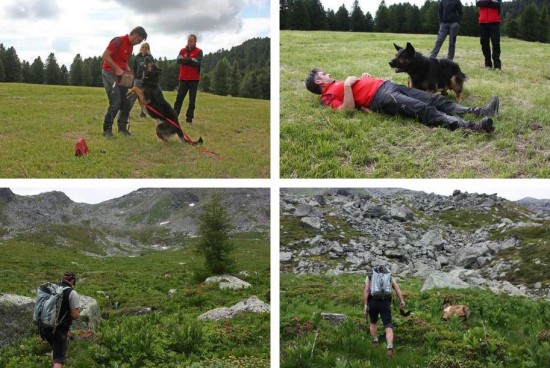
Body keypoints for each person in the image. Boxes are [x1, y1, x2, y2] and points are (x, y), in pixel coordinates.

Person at [305, 68, 499, 133]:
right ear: (319, 81)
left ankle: (480, 111)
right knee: (423, 109)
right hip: (381, 98)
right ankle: (472, 126)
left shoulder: (336, 84)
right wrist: (347, 86)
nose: (328, 73)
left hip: (388, 86)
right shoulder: (327, 96)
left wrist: (365, 78)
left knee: (433, 99)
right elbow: (345, 111)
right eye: (324, 73)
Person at [101, 26, 148, 137]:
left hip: (122, 75)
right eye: (139, 40)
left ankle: (122, 128)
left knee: (127, 101)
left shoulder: (130, 46)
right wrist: (117, 69)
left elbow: (123, 61)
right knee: (116, 101)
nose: (138, 43)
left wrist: (127, 70)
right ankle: (107, 130)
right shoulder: (118, 41)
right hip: (109, 73)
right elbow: (105, 56)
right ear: (135, 35)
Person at [39, 272, 80, 368]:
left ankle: (52, 364)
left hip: (45, 327)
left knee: (56, 349)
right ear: (73, 281)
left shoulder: (53, 289)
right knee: (59, 360)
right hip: (58, 330)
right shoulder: (72, 293)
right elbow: (75, 315)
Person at [364, 266, 405, 359]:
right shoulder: (389, 276)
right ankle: (390, 346)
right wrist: (402, 300)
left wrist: (365, 305)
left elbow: (366, 290)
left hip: (373, 302)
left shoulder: (370, 276)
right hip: (385, 302)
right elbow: (397, 288)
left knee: (373, 322)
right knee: (388, 325)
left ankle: (375, 342)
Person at [173, 34, 203, 124]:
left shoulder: (199, 51)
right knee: (179, 99)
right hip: (183, 79)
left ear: (195, 42)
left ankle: (189, 119)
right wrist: (191, 59)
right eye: (188, 41)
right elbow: (178, 60)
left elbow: (197, 64)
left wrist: (185, 60)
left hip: (194, 79)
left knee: (192, 100)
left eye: (191, 41)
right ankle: (174, 117)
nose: (189, 42)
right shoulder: (182, 50)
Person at [476, 0, 501, 71]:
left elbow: (497, 4)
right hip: (483, 22)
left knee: (496, 43)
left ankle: (497, 66)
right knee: (484, 43)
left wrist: (485, 3)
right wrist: (490, 2)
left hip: (495, 22)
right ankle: (488, 64)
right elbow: (478, 3)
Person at [132, 42, 153, 118]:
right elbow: (134, 68)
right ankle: (127, 110)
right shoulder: (137, 57)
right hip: (137, 79)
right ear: (141, 48)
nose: (144, 49)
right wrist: (134, 77)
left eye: (146, 48)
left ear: (148, 49)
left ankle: (143, 112)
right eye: (143, 47)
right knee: (134, 95)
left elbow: (152, 69)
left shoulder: (150, 57)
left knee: (144, 96)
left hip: (146, 80)